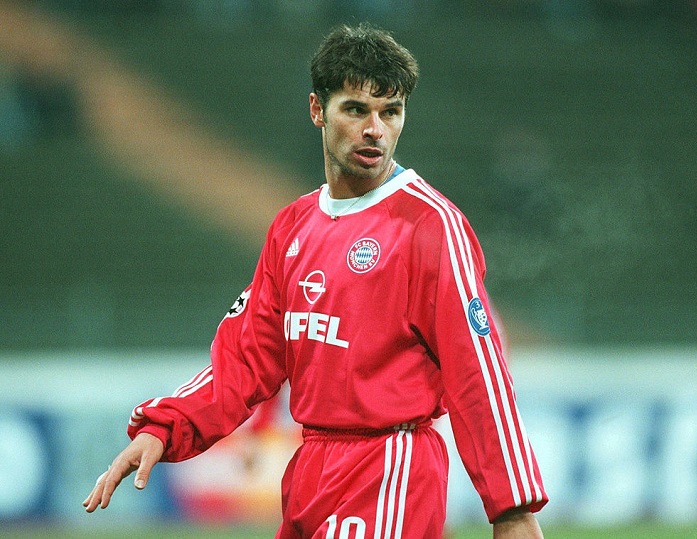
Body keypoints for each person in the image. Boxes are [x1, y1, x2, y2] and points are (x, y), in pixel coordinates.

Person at [84, 23, 548, 538]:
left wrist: (513, 509)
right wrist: (165, 427)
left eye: (391, 112)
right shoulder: (293, 227)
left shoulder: (430, 225)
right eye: (356, 110)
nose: (375, 129)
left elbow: (478, 374)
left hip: (389, 470)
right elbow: (245, 358)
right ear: (316, 110)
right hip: (310, 472)